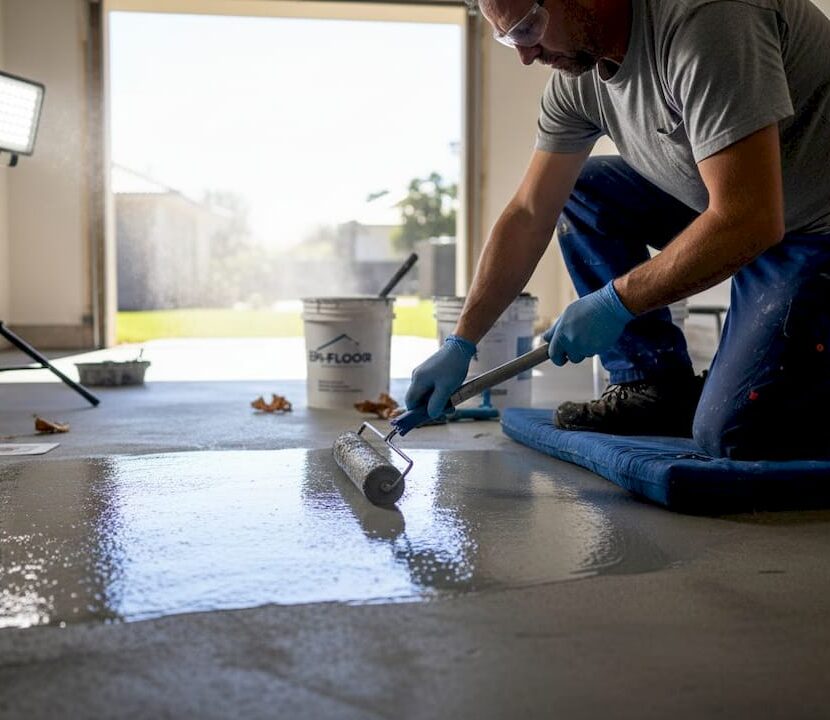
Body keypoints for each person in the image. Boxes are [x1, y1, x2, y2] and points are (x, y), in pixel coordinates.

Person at [404, 0, 830, 460]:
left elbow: (749, 218)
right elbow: (529, 212)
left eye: (528, 29)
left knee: (737, 432)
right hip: (745, 204)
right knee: (583, 189)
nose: (525, 56)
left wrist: (617, 300)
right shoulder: (578, 82)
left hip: (812, 225)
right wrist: (462, 341)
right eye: (509, 38)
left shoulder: (708, 19)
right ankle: (651, 385)